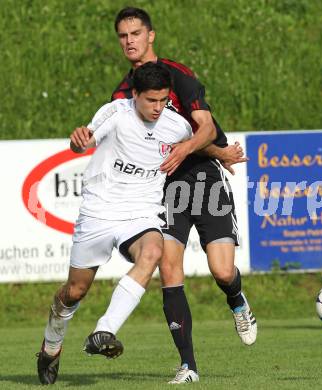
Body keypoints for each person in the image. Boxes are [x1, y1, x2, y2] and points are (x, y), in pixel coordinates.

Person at [82, 7, 256, 384]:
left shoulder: (179, 75)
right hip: (162, 189)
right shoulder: (121, 95)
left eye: (135, 34)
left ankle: (237, 300)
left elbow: (204, 128)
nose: (129, 41)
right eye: (122, 35)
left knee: (223, 271)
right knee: (169, 270)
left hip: (205, 181)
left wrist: (202, 149)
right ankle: (188, 365)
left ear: (150, 36)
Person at [36, 62, 197, 385]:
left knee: (153, 250)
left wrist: (223, 153)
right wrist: (79, 141)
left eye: (163, 100)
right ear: (135, 94)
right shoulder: (116, 113)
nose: (157, 107)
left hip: (141, 213)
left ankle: (104, 330)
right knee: (74, 291)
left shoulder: (177, 126)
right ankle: (51, 345)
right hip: (98, 212)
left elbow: (197, 143)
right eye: (151, 100)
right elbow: (84, 139)